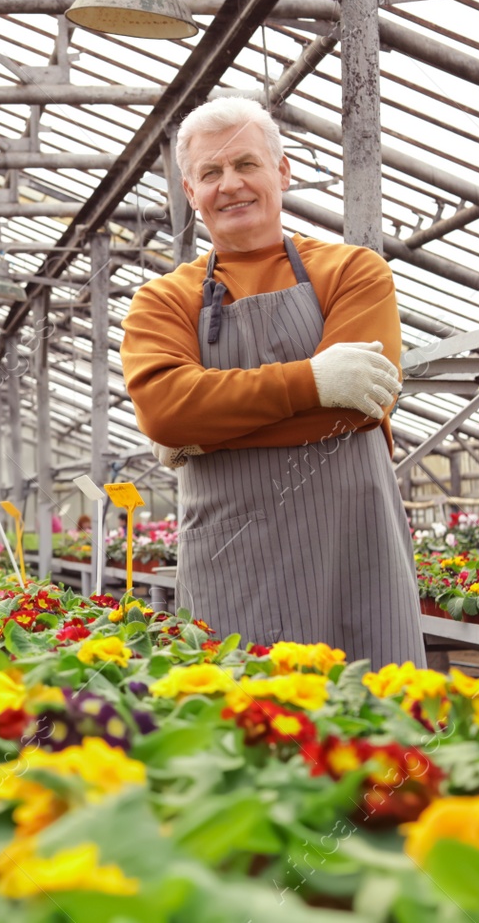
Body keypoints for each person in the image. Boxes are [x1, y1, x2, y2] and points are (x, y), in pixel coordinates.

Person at [119, 97, 424, 668]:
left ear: (281, 172)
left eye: (246, 165)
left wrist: (204, 430)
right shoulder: (162, 299)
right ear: (191, 193)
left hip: (353, 556)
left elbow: (357, 408)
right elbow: (165, 411)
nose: (229, 184)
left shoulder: (354, 271)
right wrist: (314, 381)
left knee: (373, 725)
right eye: (210, 173)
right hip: (231, 563)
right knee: (246, 725)